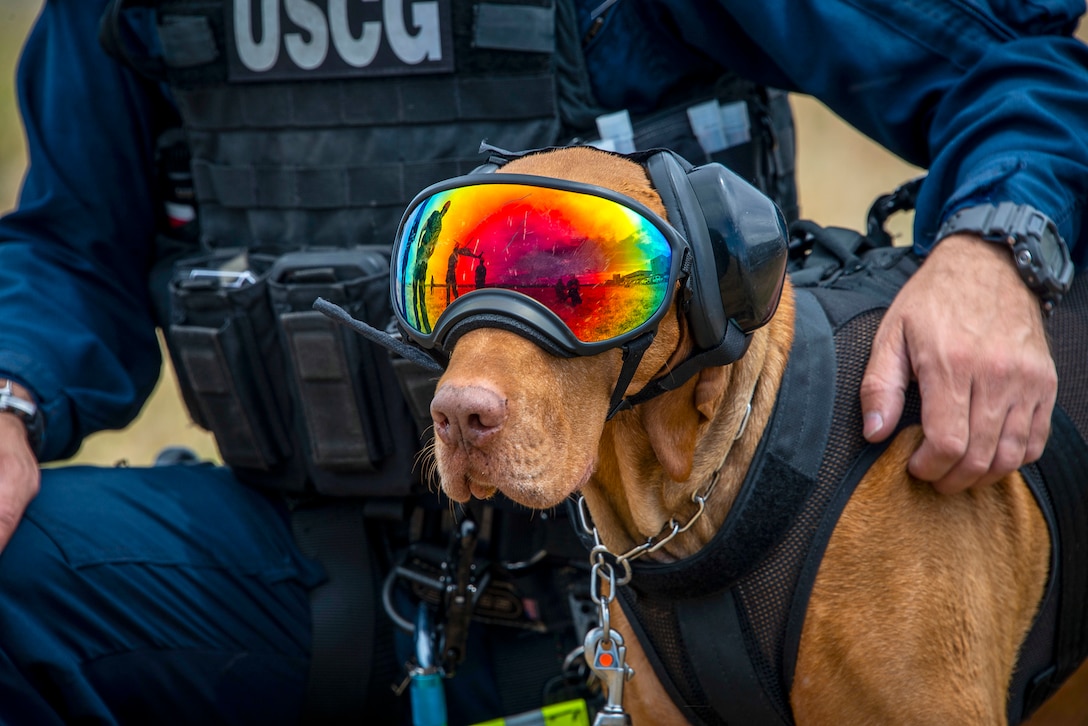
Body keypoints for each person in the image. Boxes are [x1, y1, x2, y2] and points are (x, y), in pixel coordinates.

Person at [0, 1, 1084, 725]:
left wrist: (996, 247)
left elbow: (1012, 65)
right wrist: (8, 393)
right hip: (301, 558)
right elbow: (66, 244)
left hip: (662, 572)